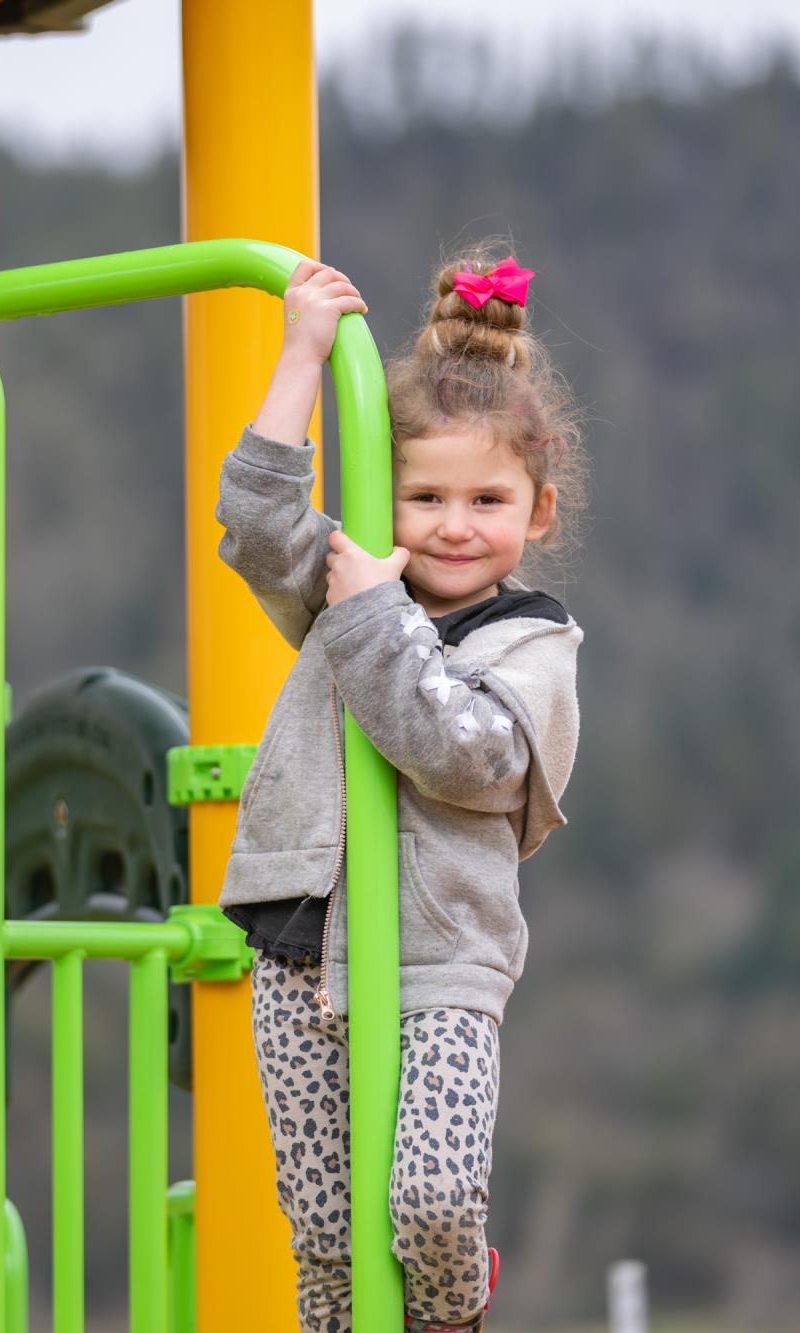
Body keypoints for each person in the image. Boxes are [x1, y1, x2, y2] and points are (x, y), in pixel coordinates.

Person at [216, 249, 586, 1332]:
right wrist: (299, 358)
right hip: (295, 942)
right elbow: (255, 523)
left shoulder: (535, 641)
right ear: (384, 497)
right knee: (327, 1246)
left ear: (539, 509)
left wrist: (371, 611)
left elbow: (461, 751)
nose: (453, 524)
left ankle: (454, 1318)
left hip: (440, 957)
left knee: (426, 1203)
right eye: (421, 497)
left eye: (486, 498)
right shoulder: (350, 586)